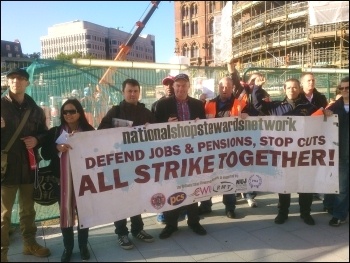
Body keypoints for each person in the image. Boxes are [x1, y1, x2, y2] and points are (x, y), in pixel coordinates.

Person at [251, 77, 332, 225]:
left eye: (295, 87)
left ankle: (305, 213)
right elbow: (257, 105)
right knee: (284, 185)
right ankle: (283, 213)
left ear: (299, 89)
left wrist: (327, 114)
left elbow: (322, 118)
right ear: (284, 89)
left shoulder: (308, 107)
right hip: (284, 155)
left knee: (305, 185)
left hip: (304, 154)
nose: (292, 90)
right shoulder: (276, 106)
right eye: (289, 88)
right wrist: (256, 87)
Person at [98, 78, 155, 250]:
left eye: (135, 91)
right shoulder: (115, 111)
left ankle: (138, 229)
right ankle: (121, 233)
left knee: (137, 197)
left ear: (139, 92)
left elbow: (159, 134)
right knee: (120, 200)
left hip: (139, 164)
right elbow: (100, 132)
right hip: (119, 164)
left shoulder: (146, 113)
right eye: (129, 91)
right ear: (123, 92)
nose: (132, 94)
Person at [1, 68, 50, 262]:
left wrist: (37, 140)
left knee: (28, 210)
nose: (16, 82)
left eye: (21, 79)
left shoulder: (35, 109)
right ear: (7, 82)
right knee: (3, 215)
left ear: (27, 83)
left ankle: (29, 244)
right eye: (12, 78)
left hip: (29, 168)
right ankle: (2, 253)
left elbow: (45, 133)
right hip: (6, 169)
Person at [154, 73, 207, 239]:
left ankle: (194, 221)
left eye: (184, 85)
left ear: (188, 87)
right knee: (172, 188)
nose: (180, 89)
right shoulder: (161, 105)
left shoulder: (198, 104)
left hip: (192, 153)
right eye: (177, 85)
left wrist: (201, 124)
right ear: (173, 87)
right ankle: (171, 224)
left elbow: (206, 128)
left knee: (192, 185)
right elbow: (153, 129)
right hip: (171, 154)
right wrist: (166, 125)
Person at [40, 98, 94, 262]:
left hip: (83, 180)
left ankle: (83, 246)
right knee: (66, 215)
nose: (68, 114)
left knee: (84, 215)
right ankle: (68, 247)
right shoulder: (55, 132)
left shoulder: (88, 130)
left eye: (72, 111)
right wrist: (57, 147)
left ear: (79, 113)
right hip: (61, 181)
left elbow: (97, 151)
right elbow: (44, 154)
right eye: (65, 112)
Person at [199, 76, 249, 218]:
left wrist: (248, 115)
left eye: (227, 86)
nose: (224, 89)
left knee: (230, 177)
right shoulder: (208, 104)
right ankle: (205, 205)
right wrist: (200, 102)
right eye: (222, 86)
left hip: (231, 149)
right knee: (208, 178)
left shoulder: (240, 104)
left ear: (232, 87)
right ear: (218, 87)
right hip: (211, 148)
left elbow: (254, 118)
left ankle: (229, 207)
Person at [323, 76, 349, 226]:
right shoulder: (333, 108)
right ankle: (339, 214)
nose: (344, 91)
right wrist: (324, 114)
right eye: (342, 88)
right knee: (342, 186)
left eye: (347, 88)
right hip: (341, 153)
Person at [300, 72, 328, 201]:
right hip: (301, 137)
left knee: (315, 164)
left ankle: (315, 190)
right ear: (302, 83)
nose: (311, 82)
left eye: (312, 80)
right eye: (308, 80)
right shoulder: (297, 97)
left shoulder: (321, 98)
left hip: (316, 136)